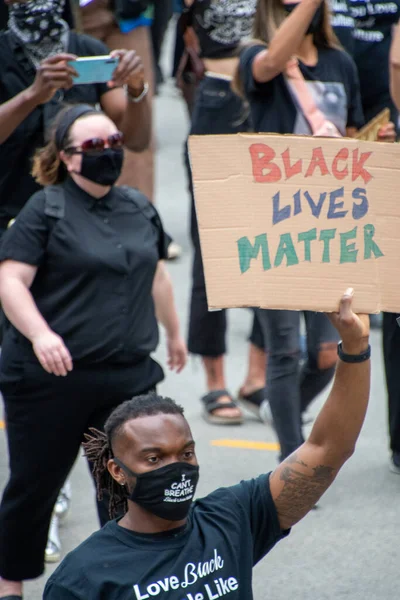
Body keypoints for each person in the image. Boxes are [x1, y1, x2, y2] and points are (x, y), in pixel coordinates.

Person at [43, 288, 371, 599]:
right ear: (117, 470)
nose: (177, 467)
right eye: (154, 459)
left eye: (186, 453)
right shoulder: (82, 578)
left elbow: (327, 449)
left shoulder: (232, 519)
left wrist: (355, 348)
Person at [0, 104, 187, 599]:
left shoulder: (138, 205)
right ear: (67, 158)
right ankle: (10, 584)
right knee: (34, 487)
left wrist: (174, 333)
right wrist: (41, 334)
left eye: (114, 141)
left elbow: (157, 274)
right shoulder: (46, 208)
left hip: (125, 380)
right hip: (51, 379)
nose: (109, 152)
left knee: (127, 492)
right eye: (94, 146)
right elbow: (10, 280)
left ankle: (128, 584)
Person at [233, 0, 395, 461]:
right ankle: (292, 460)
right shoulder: (254, 57)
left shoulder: (339, 62)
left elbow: (347, 135)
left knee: (328, 353)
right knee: (283, 349)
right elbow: (268, 65)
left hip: (329, 222)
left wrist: (375, 142)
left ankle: (280, 408)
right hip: (273, 220)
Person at [183, 0, 271, 426]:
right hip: (218, 90)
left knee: (273, 239)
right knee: (212, 246)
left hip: (274, 92)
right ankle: (213, 379)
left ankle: (256, 377)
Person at [0, 0, 151, 236]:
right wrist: (31, 96)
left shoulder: (88, 51)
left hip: (81, 223)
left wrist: (135, 90)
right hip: (10, 217)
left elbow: (136, 139)